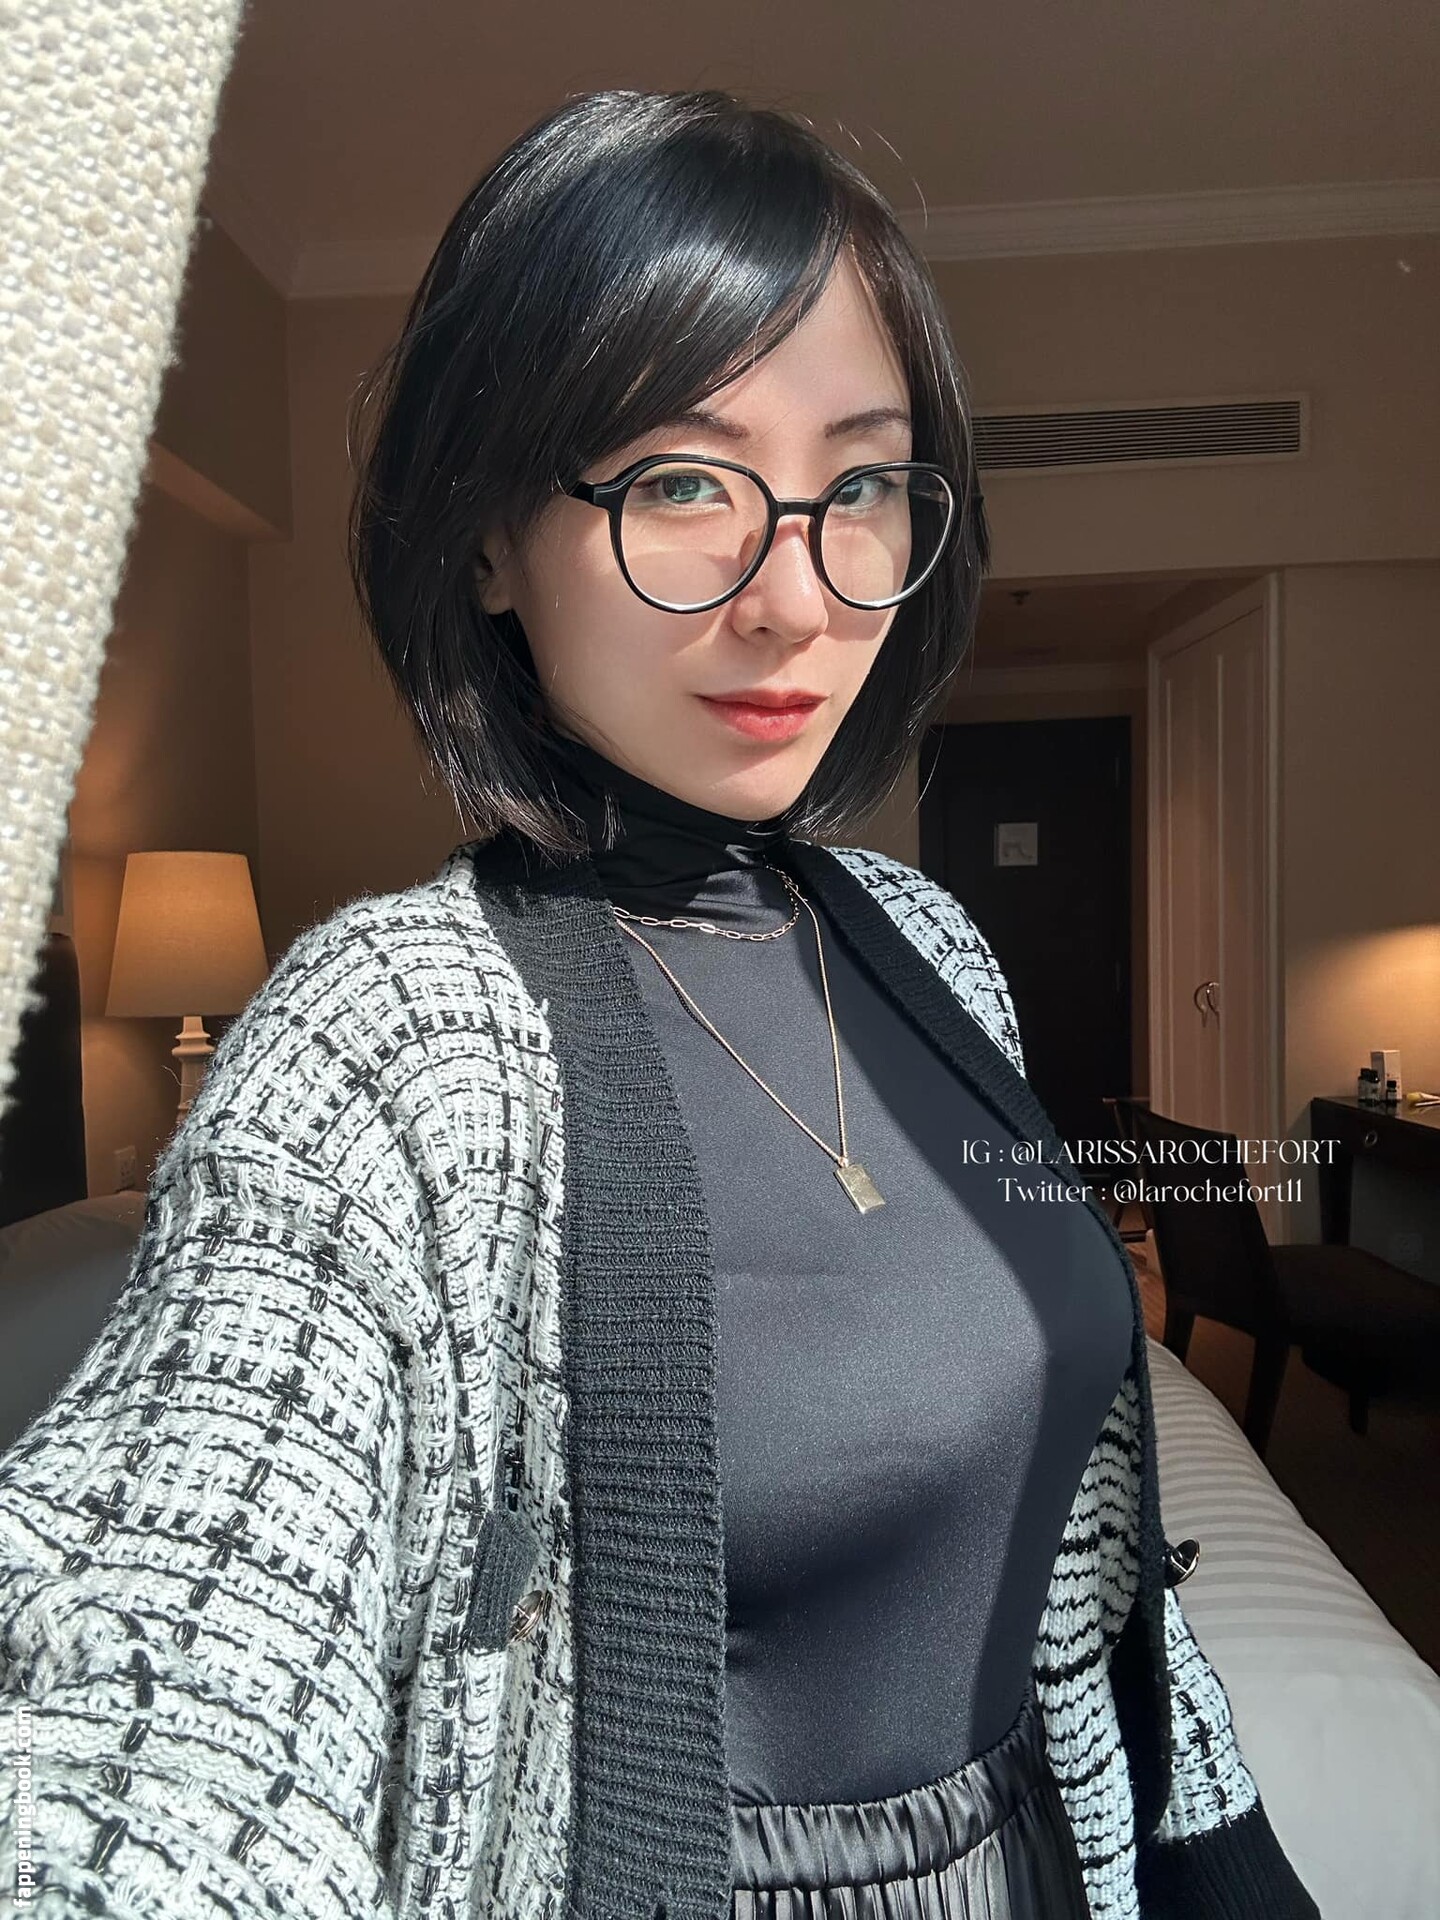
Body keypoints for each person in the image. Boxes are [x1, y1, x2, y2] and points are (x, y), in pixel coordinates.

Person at [0, 88, 1318, 1920]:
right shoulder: (388, 1039)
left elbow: (1081, 1570)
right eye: (684, 483)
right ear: (488, 536)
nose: (795, 600)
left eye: (857, 486)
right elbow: (167, 1673)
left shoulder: (932, 948)